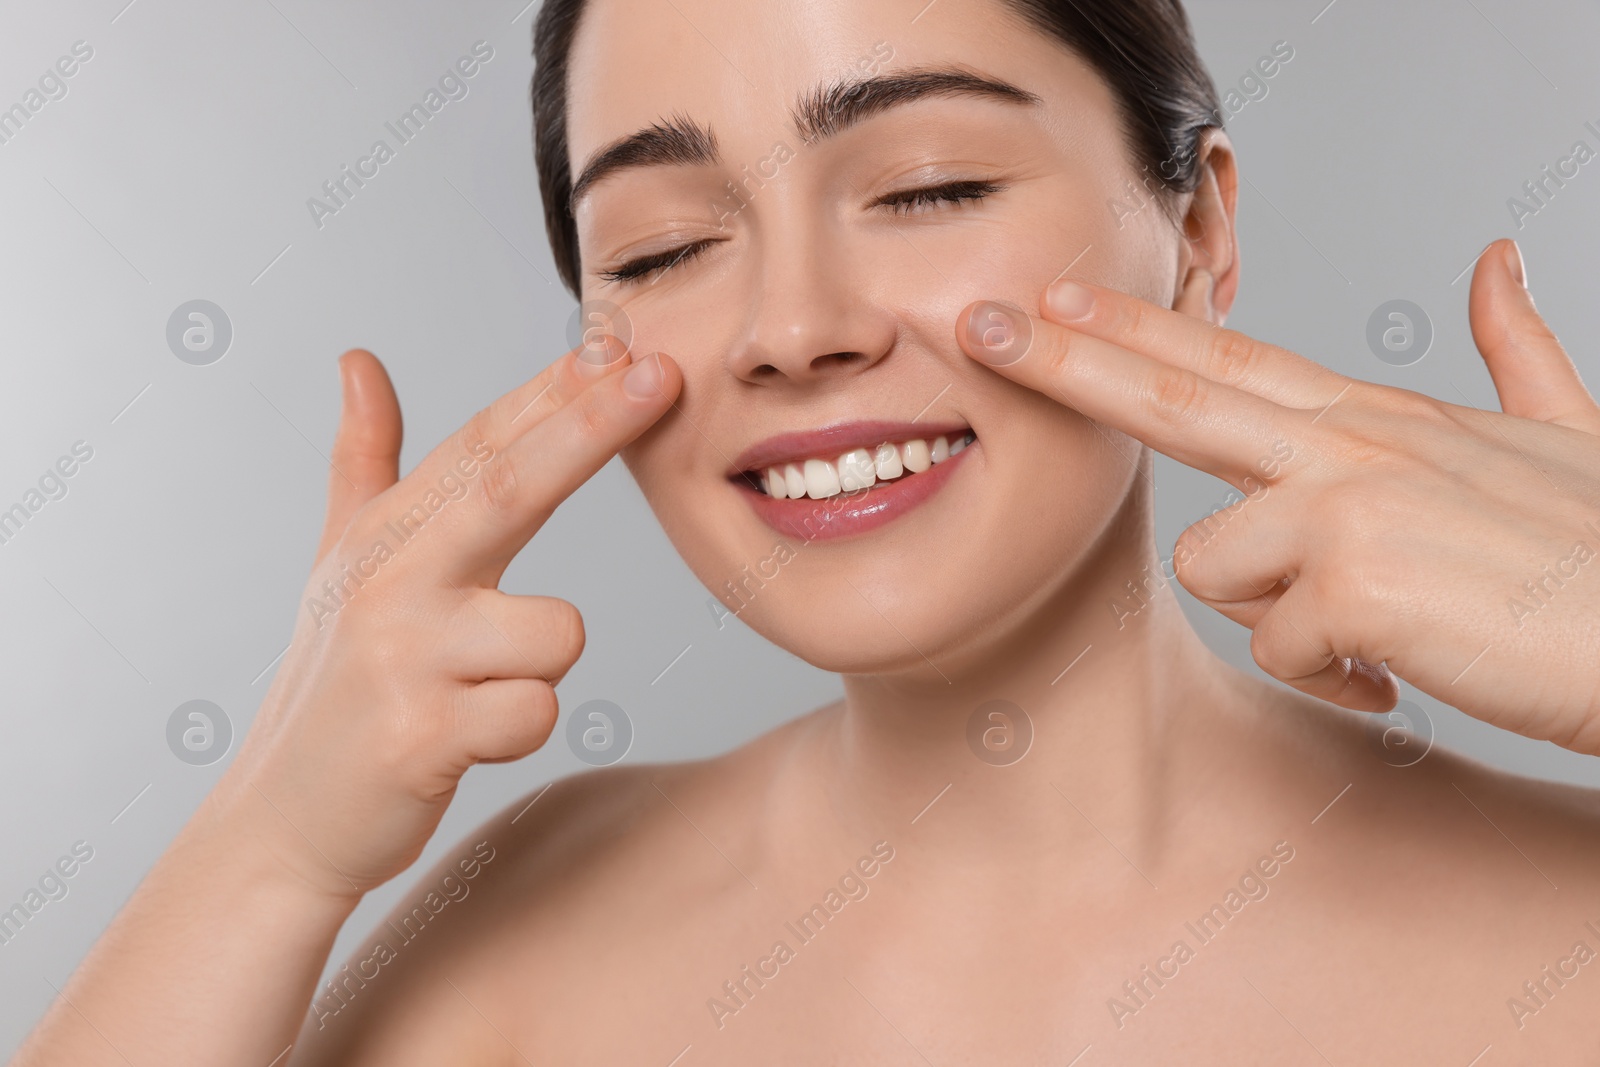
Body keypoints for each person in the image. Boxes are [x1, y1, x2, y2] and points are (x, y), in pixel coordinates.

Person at [16, 0, 1600, 1062]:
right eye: (666, 244)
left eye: (925, 184)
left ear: (1197, 230)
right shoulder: (504, 939)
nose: (791, 326)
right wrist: (264, 858)